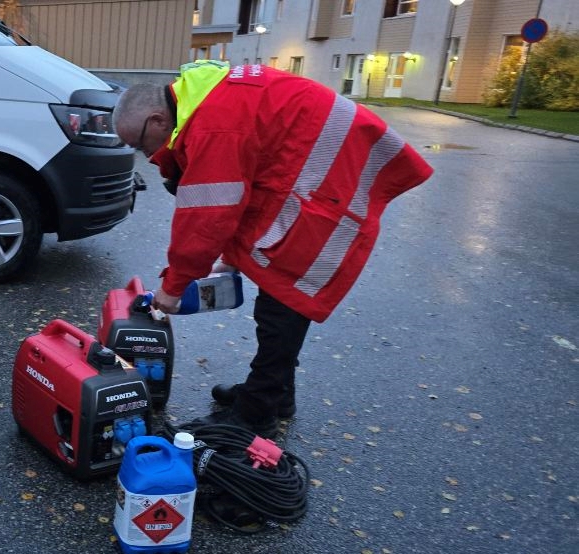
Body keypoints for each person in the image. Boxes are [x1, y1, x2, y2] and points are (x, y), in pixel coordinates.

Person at [113, 60, 433, 439]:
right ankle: (275, 394)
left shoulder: (215, 124)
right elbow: (244, 189)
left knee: (284, 299)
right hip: (320, 175)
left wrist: (174, 285)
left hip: (327, 189)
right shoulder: (204, 99)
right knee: (278, 300)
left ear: (158, 121)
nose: (145, 156)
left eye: (139, 143)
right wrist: (231, 257)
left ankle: (257, 412)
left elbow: (208, 214)